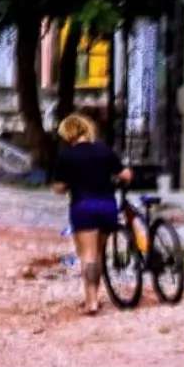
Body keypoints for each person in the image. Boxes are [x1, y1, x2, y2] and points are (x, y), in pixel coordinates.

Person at [52, 113, 133, 315]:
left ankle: (92, 302)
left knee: (88, 255)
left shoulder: (67, 156)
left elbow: (59, 187)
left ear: (69, 133)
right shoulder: (103, 150)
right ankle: (94, 297)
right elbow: (126, 174)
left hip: (83, 206)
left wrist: (71, 182)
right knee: (97, 254)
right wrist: (116, 182)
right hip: (107, 205)